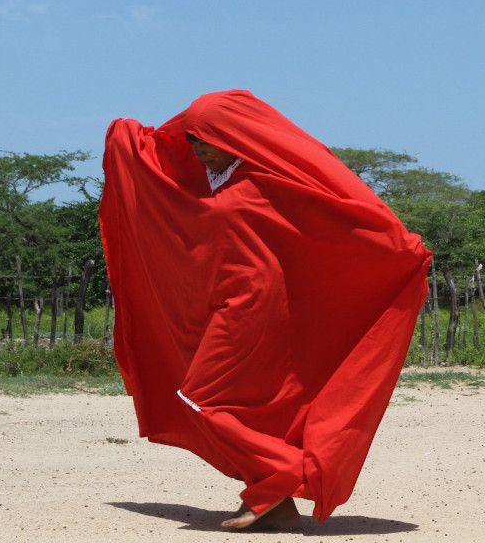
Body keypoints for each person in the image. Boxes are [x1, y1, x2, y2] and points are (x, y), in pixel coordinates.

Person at [99, 90, 432, 530]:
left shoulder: (267, 178)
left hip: (256, 308)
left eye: (206, 141)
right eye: (193, 142)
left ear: (233, 137)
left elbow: (341, 213)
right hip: (227, 304)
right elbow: (158, 179)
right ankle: (276, 503)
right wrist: (126, 137)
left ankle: (289, 473)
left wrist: (400, 250)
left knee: (202, 398)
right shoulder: (207, 181)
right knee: (244, 407)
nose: (198, 151)